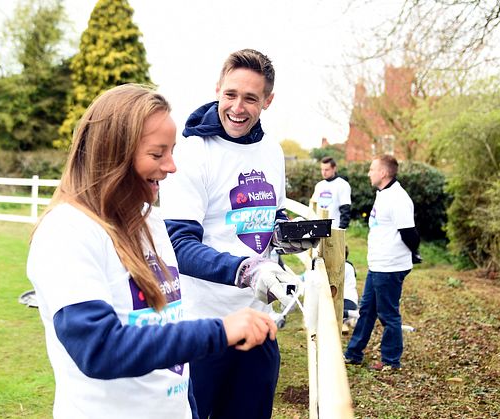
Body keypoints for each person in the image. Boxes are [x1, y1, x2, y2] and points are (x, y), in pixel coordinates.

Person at [26, 84, 278, 418]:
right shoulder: (66, 231)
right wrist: (220, 331)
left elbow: (168, 328)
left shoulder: (152, 223)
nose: (172, 167)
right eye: (158, 154)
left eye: (172, 152)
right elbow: (98, 348)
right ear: (113, 154)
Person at [159, 49, 304, 419]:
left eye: (251, 98)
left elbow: (270, 214)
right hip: (203, 328)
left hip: (258, 324)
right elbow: (179, 245)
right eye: (230, 95)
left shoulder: (271, 150)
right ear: (218, 88)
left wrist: (288, 234)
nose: (238, 107)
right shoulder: (192, 153)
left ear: (268, 101)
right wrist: (246, 271)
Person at [344, 154, 419, 371]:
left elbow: (409, 233)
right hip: (378, 265)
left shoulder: (398, 198)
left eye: (372, 169)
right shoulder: (383, 194)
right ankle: (354, 354)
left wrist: (413, 253)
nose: (369, 173)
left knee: (388, 315)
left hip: (390, 267)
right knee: (367, 310)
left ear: (383, 173)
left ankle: (391, 361)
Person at [311, 156, 352, 229]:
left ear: (334, 168)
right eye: (322, 169)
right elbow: (313, 207)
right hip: (318, 228)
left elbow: (345, 210)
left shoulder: (342, 185)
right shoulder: (319, 185)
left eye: (327, 170)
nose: (324, 172)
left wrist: (341, 229)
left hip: (334, 229)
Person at [343, 246, 358, 329]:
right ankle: (348, 319)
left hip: (347, 300)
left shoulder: (343, 267)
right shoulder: (350, 265)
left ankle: (352, 315)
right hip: (351, 300)